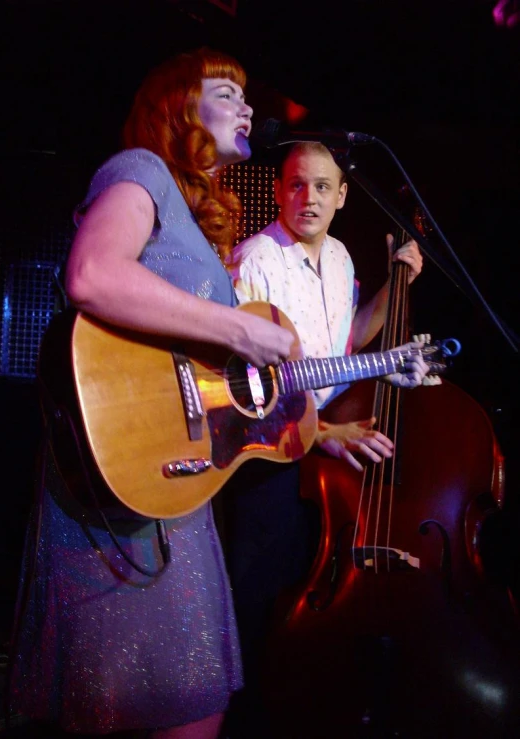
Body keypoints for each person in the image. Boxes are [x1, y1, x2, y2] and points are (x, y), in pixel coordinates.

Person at [9, 48, 296, 739]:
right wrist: (237, 326)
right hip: (118, 492)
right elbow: (93, 274)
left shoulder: (199, 227)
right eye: (226, 91)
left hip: (177, 492)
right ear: (177, 108)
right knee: (149, 712)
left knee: (195, 709)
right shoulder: (141, 173)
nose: (248, 106)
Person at [220, 140, 427, 738]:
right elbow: (249, 385)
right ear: (279, 189)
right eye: (294, 184)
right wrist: (325, 431)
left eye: (320, 186)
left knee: (310, 601)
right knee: (263, 606)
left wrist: (399, 285)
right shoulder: (254, 260)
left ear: (341, 196)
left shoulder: (339, 258)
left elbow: (345, 345)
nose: (305, 197)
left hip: (325, 451)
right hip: (273, 455)